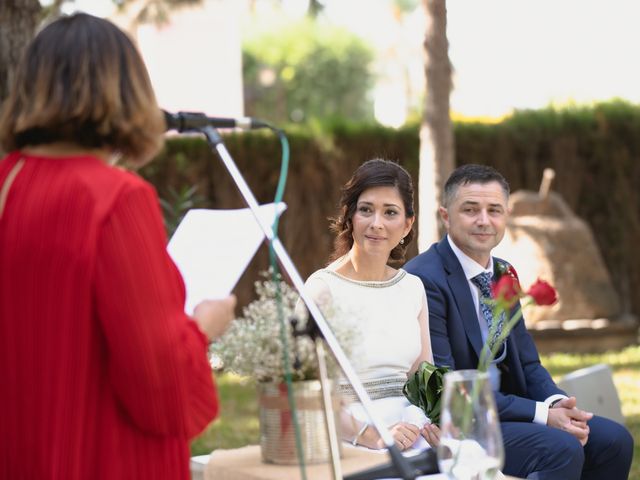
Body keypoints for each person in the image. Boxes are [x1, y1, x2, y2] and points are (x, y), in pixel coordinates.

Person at [0, 13, 236, 480]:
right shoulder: (116, 198)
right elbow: (160, 384)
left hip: (25, 447)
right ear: (127, 93)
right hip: (99, 455)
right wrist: (202, 328)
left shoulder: (8, 182)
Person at [404, 163, 633, 479]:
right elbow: (449, 386)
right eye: (470, 210)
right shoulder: (425, 278)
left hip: (513, 410)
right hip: (465, 420)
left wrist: (557, 403)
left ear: (506, 216)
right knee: (560, 448)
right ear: (446, 216)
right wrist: (543, 415)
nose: (484, 220)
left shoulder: (503, 272)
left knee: (615, 441)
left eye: (494, 210)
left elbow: (527, 363)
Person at [300, 158, 440, 452]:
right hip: (349, 435)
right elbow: (305, 392)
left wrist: (422, 422)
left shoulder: (412, 287)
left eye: (390, 212)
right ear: (350, 217)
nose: (376, 223)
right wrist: (371, 435)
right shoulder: (322, 289)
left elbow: (423, 375)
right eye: (366, 210)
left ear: (407, 224)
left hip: (409, 429)